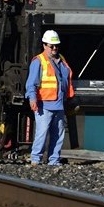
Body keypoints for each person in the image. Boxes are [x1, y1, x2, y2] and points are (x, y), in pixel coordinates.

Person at [25, 30, 75, 166]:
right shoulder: (38, 61)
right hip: (44, 104)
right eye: (51, 45)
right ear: (44, 45)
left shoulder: (62, 60)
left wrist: (69, 99)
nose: (54, 48)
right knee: (42, 133)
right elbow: (31, 83)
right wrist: (32, 99)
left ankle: (54, 160)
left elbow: (65, 81)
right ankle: (36, 159)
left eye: (56, 45)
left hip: (59, 104)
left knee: (58, 134)